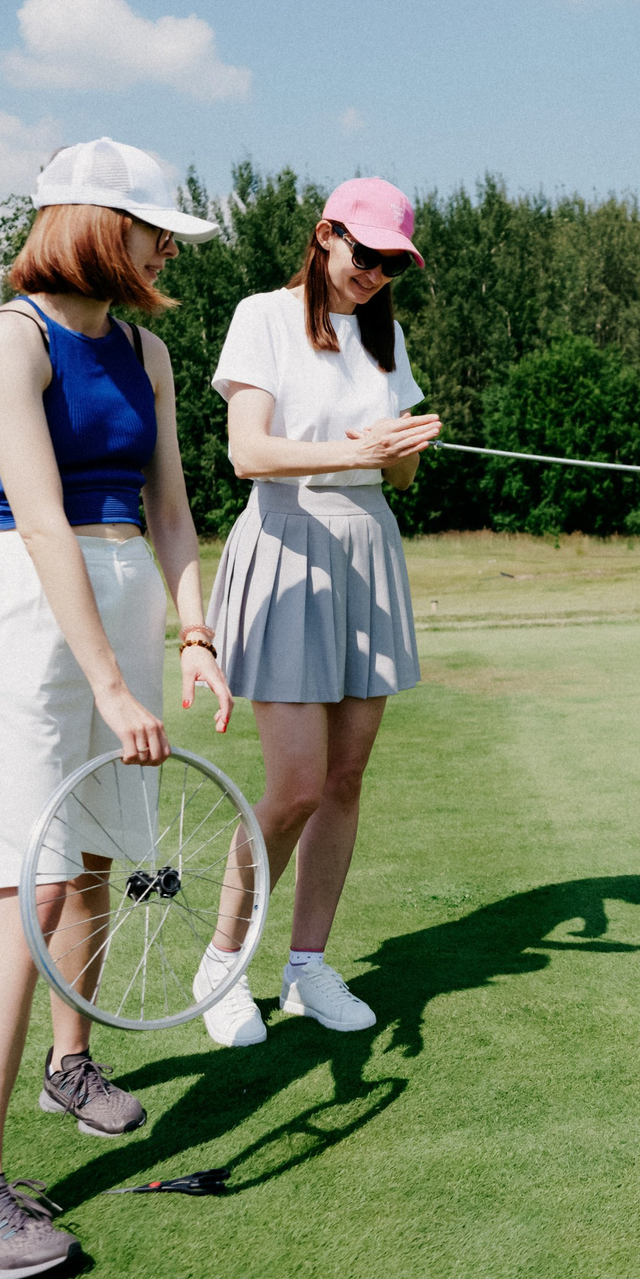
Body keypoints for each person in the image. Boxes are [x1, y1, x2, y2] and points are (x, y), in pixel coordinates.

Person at [0, 138, 229, 1279]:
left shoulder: (146, 350)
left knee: (94, 859)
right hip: (32, 617)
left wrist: (195, 635)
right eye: (154, 231)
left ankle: (70, 1065)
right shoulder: (9, 340)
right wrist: (104, 678)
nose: (165, 252)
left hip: (126, 598)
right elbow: (42, 521)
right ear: (98, 226)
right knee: (30, 886)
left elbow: (172, 509)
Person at [192, 176, 439, 1048]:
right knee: (295, 784)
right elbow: (247, 451)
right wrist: (353, 447)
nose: (375, 274)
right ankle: (222, 962)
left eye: (392, 264)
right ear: (326, 234)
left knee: (344, 778)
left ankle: (306, 967)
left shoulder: (385, 337)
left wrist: (401, 448)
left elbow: (397, 476)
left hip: (367, 544)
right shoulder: (262, 315)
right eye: (365, 254)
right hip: (288, 542)